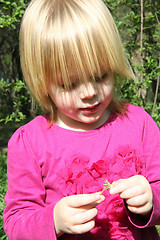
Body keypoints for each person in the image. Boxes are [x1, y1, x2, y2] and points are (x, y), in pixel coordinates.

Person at [3, 0, 160, 239]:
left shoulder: (138, 124)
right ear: (42, 81)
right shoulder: (30, 142)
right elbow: (16, 222)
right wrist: (53, 220)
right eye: (69, 84)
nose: (89, 92)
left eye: (100, 76)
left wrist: (151, 199)